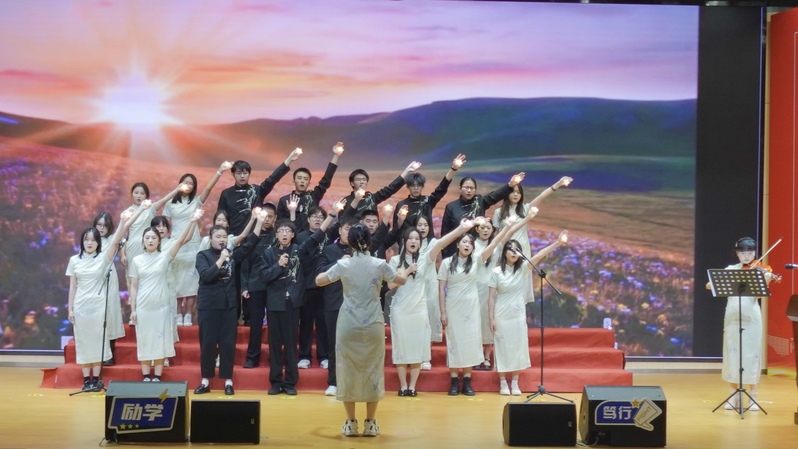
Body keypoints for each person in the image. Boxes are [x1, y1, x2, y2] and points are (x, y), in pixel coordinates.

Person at [316, 224, 414, 437]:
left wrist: (339, 265)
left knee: (347, 370)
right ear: (369, 241)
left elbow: (319, 280)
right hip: (373, 323)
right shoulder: (380, 264)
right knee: (373, 370)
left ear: (350, 243)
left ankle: (351, 422)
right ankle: (370, 423)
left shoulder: (344, 264)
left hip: (348, 323)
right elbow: (401, 280)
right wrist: (403, 271)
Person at [387, 218, 479, 396]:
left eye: (417, 239)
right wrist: (407, 271)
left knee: (417, 347)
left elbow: (441, 242)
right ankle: (403, 385)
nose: (413, 241)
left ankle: (412, 386)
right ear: (404, 241)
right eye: (410, 238)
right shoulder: (395, 261)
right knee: (401, 347)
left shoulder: (425, 258)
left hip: (419, 309)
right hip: (400, 310)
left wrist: (461, 228)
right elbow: (390, 285)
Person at [261, 203, 340, 396]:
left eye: (288, 231)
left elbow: (318, 236)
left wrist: (331, 215)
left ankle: (290, 382)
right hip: (275, 303)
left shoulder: (299, 250)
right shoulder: (269, 253)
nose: (284, 234)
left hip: (293, 303)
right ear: (276, 234)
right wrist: (278, 266)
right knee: (275, 344)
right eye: (281, 231)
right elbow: (264, 276)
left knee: (290, 344)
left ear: (293, 234)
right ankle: (276, 381)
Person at [193, 209, 267, 396]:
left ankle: (228, 381)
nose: (221, 240)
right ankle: (205, 380)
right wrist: (221, 259)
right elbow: (207, 276)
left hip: (228, 306)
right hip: (208, 306)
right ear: (211, 239)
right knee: (208, 343)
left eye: (224, 237)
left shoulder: (233, 255)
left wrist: (259, 221)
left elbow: (250, 243)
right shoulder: (203, 256)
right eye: (218, 237)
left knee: (227, 344)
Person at [67, 207, 141, 391]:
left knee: (98, 340)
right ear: (82, 241)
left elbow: (116, 241)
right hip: (81, 306)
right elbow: (73, 287)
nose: (89, 243)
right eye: (86, 239)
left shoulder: (103, 258)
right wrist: (70, 309)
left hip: (98, 305)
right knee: (84, 341)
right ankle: (86, 380)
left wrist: (123, 220)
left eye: (93, 240)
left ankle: (96, 379)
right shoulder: (74, 260)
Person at [489, 230, 568, 396]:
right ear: (504, 252)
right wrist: (491, 318)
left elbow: (539, 255)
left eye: (517, 250)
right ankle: (503, 382)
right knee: (502, 346)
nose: (513, 252)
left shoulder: (523, 269)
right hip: (501, 313)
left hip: (518, 314)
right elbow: (491, 298)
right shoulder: (496, 272)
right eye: (510, 249)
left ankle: (515, 382)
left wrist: (557, 243)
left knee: (517, 346)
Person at [128, 208, 202, 382]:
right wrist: (133, 309)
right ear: (143, 240)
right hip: (143, 306)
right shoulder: (137, 260)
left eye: (153, 238)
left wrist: (192, 221)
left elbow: (181, 239)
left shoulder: (165, 256)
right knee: (145, 338)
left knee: (160, 338)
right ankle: (146, 375)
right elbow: (134, 286)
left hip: (161, 306)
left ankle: (157, 375)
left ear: (159, 240)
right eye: (147, 238)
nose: (150, 240)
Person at [705, 237, 772, 411]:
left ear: (755, 253)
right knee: (732, 353)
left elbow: (760, 295)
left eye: (750, 252)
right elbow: (709, 285)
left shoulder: (761, 270)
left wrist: (767, 279)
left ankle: (753, 395)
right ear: (737, 254)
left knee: (752, 354)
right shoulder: (731, 270)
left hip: (751, 316)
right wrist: (719, 281)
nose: (746, 256)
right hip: (733, 315)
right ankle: (733, 394)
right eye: (742, 253)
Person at [165, 162, 232, 327]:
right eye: (185, 182)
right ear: (180, 184)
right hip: (176, 243)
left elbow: (208, 189)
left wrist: (219, 171)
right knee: (176, 279)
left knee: (191, 280)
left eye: (191, 183)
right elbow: (165, 226)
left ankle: (188, 314)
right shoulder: (170, 203)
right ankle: (178, 314)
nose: (188, 185)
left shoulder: (195, 202)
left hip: (192, 243)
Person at [440, 172, 525, 257]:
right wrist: (445, 256)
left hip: (477, 251)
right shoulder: (451, 207)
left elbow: (494, 196)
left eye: (472, 188)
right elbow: (445, 233)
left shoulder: (479, 201)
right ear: (460, 189)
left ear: (475, 190)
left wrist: (510, 185)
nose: (469, 190)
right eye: (466, 187)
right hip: (455, 252)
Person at [120, 181, 187, 285]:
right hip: (132, 248)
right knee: (133, 279)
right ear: (132, 194)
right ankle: (133, 296)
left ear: (146, 196)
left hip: (149, 246)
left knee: (148, 277)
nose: (139, 196)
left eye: (142, 193)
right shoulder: (128, 212)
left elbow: (164, 200)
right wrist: (123, 254)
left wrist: (178, 189)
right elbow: (123, 235)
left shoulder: (150, 209)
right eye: (136, 193)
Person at [492, 176, 572, 256]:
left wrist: (559, 183)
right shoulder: (498, 212)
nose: (515, 194)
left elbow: (541, 196)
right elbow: (496, 235)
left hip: (522, 248)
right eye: (513, 192)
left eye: (518, 192)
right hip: (505, 249)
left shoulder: (526, 209)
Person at [240, 203, 277, 369]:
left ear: (275, 218)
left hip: (275, 285)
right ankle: (252, 358)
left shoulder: (279, 236)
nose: (267, 219)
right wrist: (244, 287)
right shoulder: (252, 237)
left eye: (270, 217)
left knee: (275, 325)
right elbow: (244, 264)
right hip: (255, 286)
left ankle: (275, 357)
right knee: (255, 325)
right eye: (264, 216)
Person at [392, 154, 466, 235]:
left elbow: (441, 188)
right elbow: (395, 230)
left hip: (427, 241)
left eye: (419, 185)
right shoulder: (401, 205)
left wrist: (453, 169)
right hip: (408, 241)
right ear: (408, 187)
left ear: (422, 186)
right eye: (413, 186)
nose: (416, 188)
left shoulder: (427, 201)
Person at [276, 142, 343, 230]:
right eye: (299, 178)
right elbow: (279, 224)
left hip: (311, 235)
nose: (302, 181)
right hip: (291, 237)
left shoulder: (313, 196)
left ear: (309, 183)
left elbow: (326, 180)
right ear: (294, 181)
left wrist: (336, 155)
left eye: (305, 179)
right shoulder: (284, 200)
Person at [91, 212, 124, 366]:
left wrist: (124, 219)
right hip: (92, 278)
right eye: (99, 225)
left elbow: (122, 233)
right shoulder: (90, 239)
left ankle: (109, 354)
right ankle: (95, 353)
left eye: (105, 225)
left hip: (109, 277)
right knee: (95, 314)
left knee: (109, 313)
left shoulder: (112, 239)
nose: (102, 228)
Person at [340, 161, 420, 217]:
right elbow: (343, 221)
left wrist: (406, 171)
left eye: (364, 180)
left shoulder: (371, 197)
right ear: (352, 183)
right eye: (358, 180)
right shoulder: (345, 201)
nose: (362, 182)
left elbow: (390, 189)